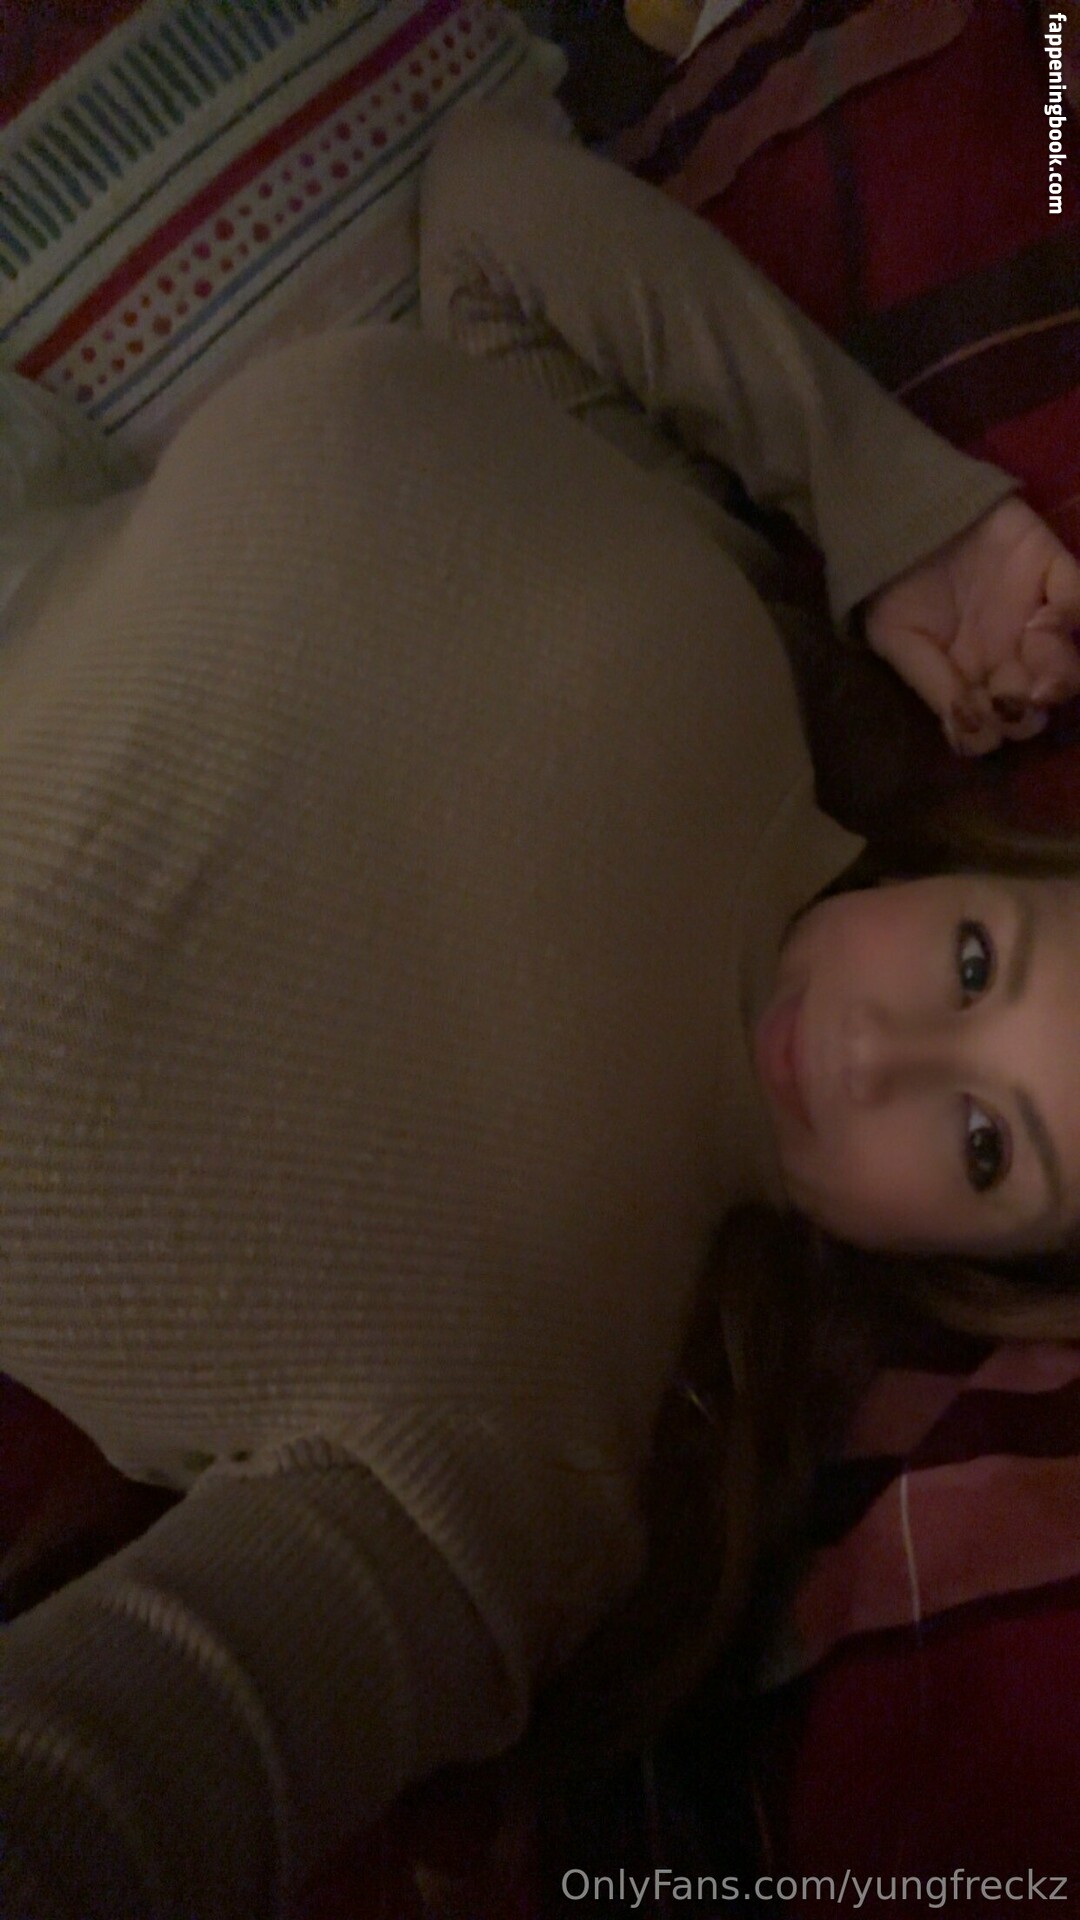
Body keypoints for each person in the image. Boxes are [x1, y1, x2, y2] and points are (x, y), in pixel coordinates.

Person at [1, 94, 1079, 1920]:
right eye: (976, 964)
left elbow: (131, 1760)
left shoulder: (542, 1465)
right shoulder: (748, 648)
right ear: (975, 874)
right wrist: (893, 512)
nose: (875, 1050)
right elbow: (491, 208)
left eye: (982, 1143)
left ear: (968, 1268)